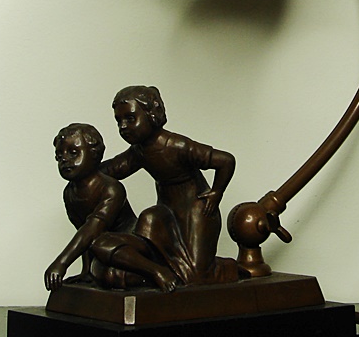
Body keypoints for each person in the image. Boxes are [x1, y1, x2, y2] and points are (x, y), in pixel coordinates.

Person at [102, 86, 240, 285]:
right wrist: (85, 170)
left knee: (196, 276)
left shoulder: (177, 146)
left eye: (130, 118)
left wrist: (216, 192)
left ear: (152, 114)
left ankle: (229, 268)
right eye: (119, 121)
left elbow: (225, 161)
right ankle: (154, 273)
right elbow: (114, 169)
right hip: (167, 211)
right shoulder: (139, 152)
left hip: (196, 210)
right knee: (154, 233)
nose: (123, 126)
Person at [45, 123, 178, 292]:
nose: (64, 159)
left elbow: (92, 229)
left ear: (94, 153)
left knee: (100, 243)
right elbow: (82, 231)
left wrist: (61, 263)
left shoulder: (111, 188)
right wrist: (87, 272)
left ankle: (157, 271)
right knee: (102, 272)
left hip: (133, 245)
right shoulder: (70, 193)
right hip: (106, 252)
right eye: (59, 156)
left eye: (73, 152)